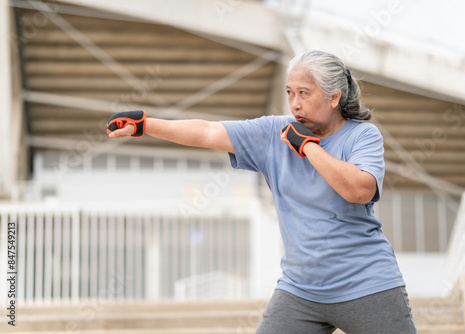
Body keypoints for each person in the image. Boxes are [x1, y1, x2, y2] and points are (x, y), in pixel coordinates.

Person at [107, 50, 417, 334]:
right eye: (290, 93)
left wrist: (308, 147)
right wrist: (146, 125)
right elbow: (208, 131)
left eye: (304, 94)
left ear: (334, 97)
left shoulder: (362, 136)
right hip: (301, 290)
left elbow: (359, 190)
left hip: (367, 284)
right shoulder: (274, 132)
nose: (294, 104)